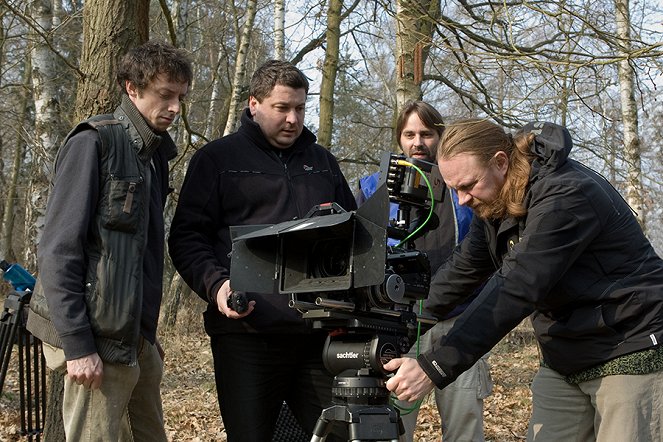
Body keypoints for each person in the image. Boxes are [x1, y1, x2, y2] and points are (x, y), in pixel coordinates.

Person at [384, 118, 663, 441]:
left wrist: (435, 366)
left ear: (500, 163)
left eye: (468, 185)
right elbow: (461, 273)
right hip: (565, 353)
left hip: (630, 344)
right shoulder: (494, 203)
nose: (462, 199)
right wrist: (398, 322)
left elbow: (516, 287)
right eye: (454, 189)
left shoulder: (566, 195)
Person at [168, 59, 356, 441]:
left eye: (300, 108)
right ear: (254, 104)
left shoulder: (322, 163)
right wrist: (217, 287)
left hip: (319, 337)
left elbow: (353, 234)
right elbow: (186, 238)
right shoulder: (217, 160)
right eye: (282, 108)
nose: (292, 119)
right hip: (247, 337)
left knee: (339, 435)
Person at [25, 41, 192, 441]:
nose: (174, 108)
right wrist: (79, 345)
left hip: (134, 339)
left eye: (180, 97)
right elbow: (58, 249)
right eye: (164, 95)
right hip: (93, 339)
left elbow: (144, 256)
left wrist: (147, 335)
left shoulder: (155, 156)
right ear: (132, 88)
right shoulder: (93, 142)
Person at [357, 102, 492, 442]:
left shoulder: (463, 187)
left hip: (456, 324)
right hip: (398, 327)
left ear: (440, 136)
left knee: (464, 425)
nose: (418, 142)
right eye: (409, 134)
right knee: (391, 428)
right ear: (399, 138)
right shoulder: (373, 188)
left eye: (427, 134)